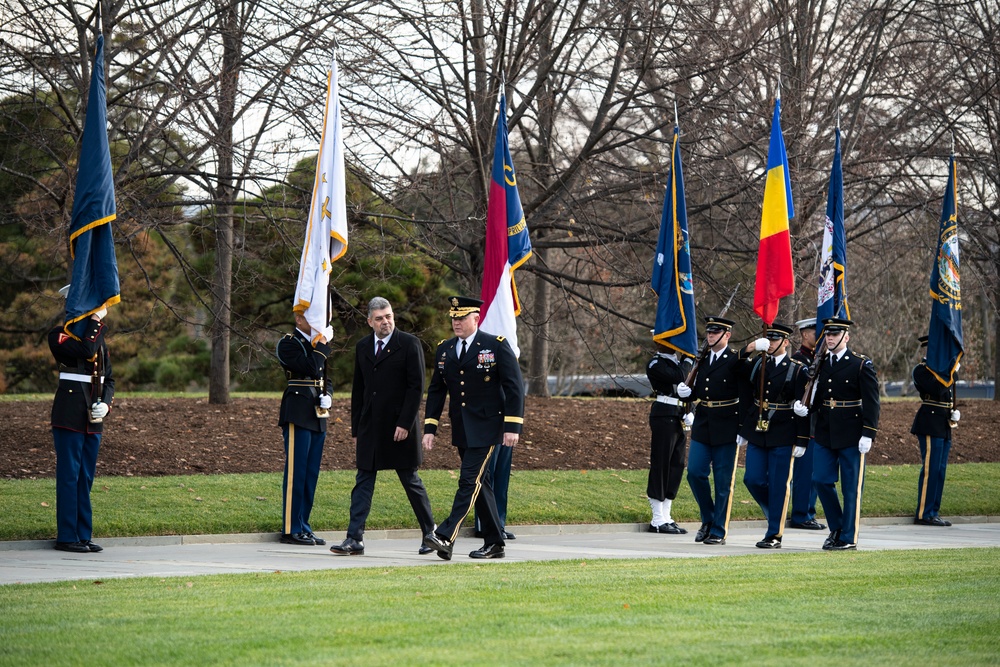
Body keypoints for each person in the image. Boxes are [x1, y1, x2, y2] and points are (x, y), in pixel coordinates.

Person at [330, 297, 437, 556]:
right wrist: (356, 428)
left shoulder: (409, 344)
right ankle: (354, 538)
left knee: (410, 480)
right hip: (370, 427)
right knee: (363, 481)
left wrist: (405, 423)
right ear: (370, 322)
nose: (385, 322)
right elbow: (359, 390)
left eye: (388, 316)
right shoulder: (363, 346)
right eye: (379, 318)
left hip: (400, 427)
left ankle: (430, 533)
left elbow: (416, 388)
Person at [421, 296, 525, 560]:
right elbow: (436, 390)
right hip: (463, 428)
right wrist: (430, 427)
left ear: (476, 318)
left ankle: (445, 536)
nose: (456, 322)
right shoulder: (445, 349)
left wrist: (513, 426)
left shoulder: (496, 345)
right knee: (481, 484)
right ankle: (495, 543)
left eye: (461, 318)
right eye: (453, 318)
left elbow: (514, 387)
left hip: (489, 426)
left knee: (469, 480)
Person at [803, 317, 880, 550]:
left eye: (835, 335)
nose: (830, 338)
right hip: (826, 430)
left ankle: (848, 537)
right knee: (820, 480)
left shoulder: (860, 364)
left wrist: (869, 432)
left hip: (852, 432)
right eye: (827, 334)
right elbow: (818, 396)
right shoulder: (822, 363)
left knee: (850, 488)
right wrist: (805, 406)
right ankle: (836, 527)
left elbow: (872, 402)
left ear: (846, 337)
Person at [48, 286, 114, 553]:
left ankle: (83, 535)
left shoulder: (98, 339)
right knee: (69, 476)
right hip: (69, 412)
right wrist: (97, 322)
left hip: (92, 415)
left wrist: (107, 406)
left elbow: (109, 379)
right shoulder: (59, 335)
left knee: (86, 476)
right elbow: (86, 350)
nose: (89, 312)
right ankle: (66, 536)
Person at [676, 316, 749, 545]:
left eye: (716, 332)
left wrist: (743, 428)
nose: (710, 335)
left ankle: (719, 529)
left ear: (727, 335)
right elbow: (701, 390)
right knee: (695, 473)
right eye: (709, 332)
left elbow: (746, 396)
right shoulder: (703, 358)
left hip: (728, 424)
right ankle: (708, 518)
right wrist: (687, 392)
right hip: (704, 422)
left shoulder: (735, 360)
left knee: (722, 480)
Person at [738, 323, 810, 549]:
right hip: (758, 430)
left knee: (779, 483)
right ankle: (776, 510)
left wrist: (802, 438)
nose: (770, 344)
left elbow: (803, 406)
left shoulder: (797, 369)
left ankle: (774, 534)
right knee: (752, 478)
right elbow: (737, 377)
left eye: (775, 340)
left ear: (786, 343)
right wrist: (749, 349)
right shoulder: (758, 363)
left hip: (783, 430)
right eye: (768, 340)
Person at [275, 311, 333, 546]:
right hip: (298, 411)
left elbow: (324, 376)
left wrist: (328, 394)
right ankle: (291, 528)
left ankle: (304, 525)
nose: (318, 322)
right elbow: (310, 366)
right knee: (296, 472)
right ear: (299, 319)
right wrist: (323, 345)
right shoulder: (288, 343)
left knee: (310, 475)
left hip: (317, 414)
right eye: (312, 317)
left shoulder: (316, 344)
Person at [911, 335, 960, 527]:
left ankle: (933, 511)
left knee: (940, 470)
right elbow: (938, 388)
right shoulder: (921, 370)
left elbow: (946, 394)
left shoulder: (944, 371)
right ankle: (924, 513)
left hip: (944, 423)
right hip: (930, 422)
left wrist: (953, 411)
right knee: (931, 469)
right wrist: (952, 372)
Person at [644, 345, 694, 534]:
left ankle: (666, 517)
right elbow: (680, 377)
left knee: (676, 465)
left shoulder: (678, 363)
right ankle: (657, 519)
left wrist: (691, 410)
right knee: (661, 464)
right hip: (664, 415)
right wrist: (689, 359)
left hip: (680, 414)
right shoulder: (656, 363)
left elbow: (687, 387)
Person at [787, 318, 826, 531]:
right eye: (815, 332)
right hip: (805, 424)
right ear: (804, 334)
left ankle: (808, 511)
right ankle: (802, 514)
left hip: (818, 423)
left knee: (814, 473)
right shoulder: (799, 360)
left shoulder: (818, 358)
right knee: (805, 473)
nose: (819, 337)